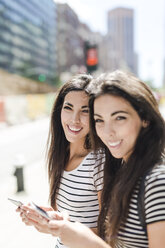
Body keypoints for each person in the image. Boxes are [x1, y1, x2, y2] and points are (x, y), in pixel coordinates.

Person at [37, 70, 165, 248]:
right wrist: (64, 225)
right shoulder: (126, 176)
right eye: (99, 120)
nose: (108, 132)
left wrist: (84, 239)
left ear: (145, 118)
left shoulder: (157, 182)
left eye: (119, 117)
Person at [17, 74, 105, 248]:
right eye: (68, 108)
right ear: (59, 110)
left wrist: (58, 229)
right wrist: (45, 218)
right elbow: (70, 217)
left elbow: (107, 233)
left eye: (85, 111)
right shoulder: (60, 154)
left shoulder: (98, 162)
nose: (74, 119)